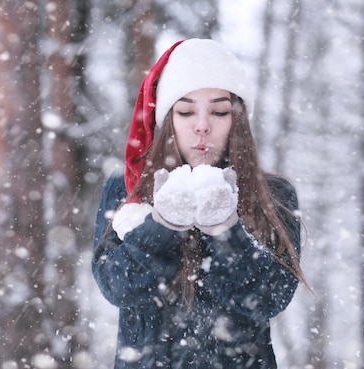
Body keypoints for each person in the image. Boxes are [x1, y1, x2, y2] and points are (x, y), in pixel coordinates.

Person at [92, 38, 307, 369]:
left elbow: (268, 298)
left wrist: (225, 231)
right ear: (167, 119)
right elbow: (117, 287)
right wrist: (160, 228)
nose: (202, 125)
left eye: (219, 111)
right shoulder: (126, 188)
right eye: (186, 110)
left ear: (237, 120)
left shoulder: (272, 194)